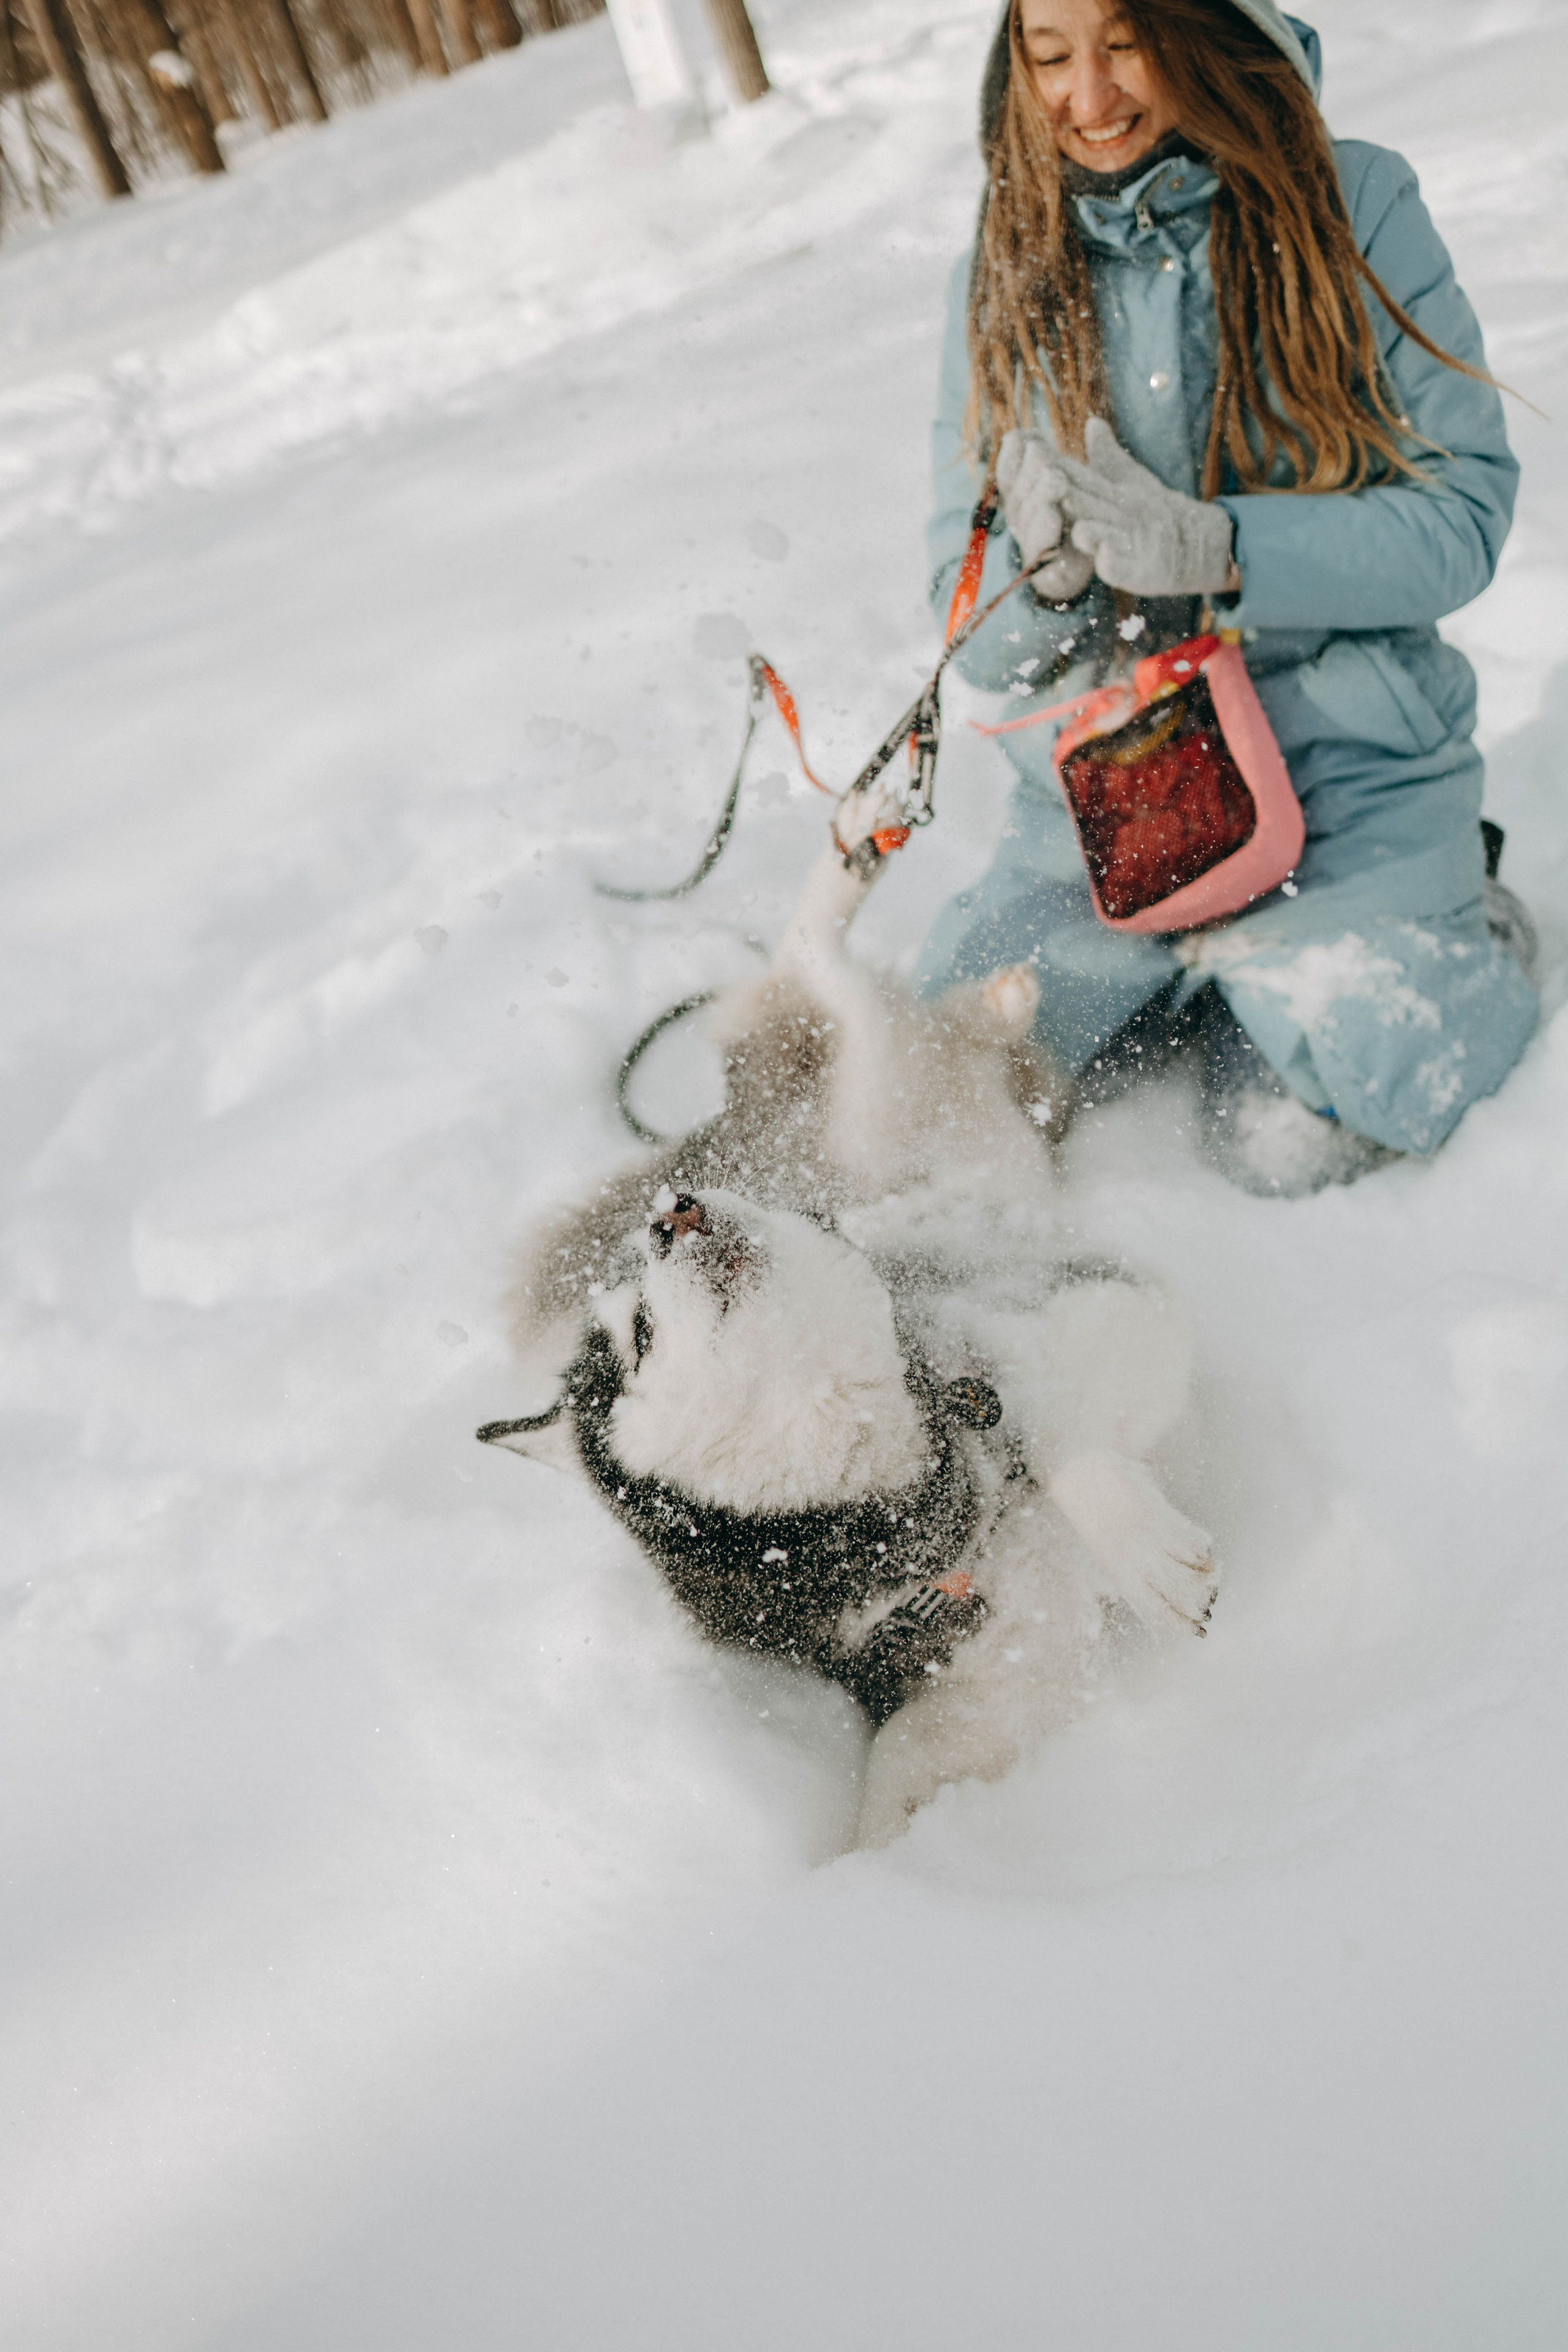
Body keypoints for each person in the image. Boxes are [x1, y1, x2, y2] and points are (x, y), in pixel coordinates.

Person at [917, 0, 1538, 1194]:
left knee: (1294, 1133)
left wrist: (1222, 545)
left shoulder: (1353, 205)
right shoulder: (997, 269)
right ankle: (1184, 981)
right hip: (1110, 816)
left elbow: (1459, 520)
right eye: (1048, 57)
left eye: (1121, 44)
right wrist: (1030, 585)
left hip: (1349, 777)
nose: (1086, 97)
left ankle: (1455, 922)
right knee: (942, 1098)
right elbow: (966, 625)